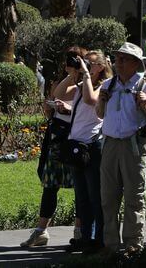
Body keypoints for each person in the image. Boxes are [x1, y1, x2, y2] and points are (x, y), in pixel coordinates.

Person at [96, 42, 146, 255]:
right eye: (117, 58)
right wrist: (101, 101)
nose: (118, 63)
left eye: (124, 59)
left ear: (136, 63)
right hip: (109, 144)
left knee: (134, 197)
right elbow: (100, 114)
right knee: (108, 197)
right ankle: (110, 245)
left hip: (133, 146)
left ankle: (133, 244)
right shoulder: (108, 85)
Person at [21, 53, 82, 248]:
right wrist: (69, 76)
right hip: (57, 137)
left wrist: (80, 76)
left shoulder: (90, 84)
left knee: (81, 187)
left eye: (75, 62)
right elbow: (55, 98)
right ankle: (41, 231)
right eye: (68, 62)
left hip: (77, 140)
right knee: (50, 184)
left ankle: (79, 231)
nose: (70, 65)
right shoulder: (63, 81)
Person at [53, 49, 109, 253]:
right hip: (76, 144)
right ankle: (86, 237)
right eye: (85, 61)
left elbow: (91, 100)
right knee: (81, 197)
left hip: (92, 146)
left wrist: (85, 74)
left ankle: (99, 238)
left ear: (101, 67)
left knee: (95, 195)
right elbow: (58, 94)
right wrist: (72, 73)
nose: (86, 65)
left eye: (91, 63)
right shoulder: (81, 84)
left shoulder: (104, 86)